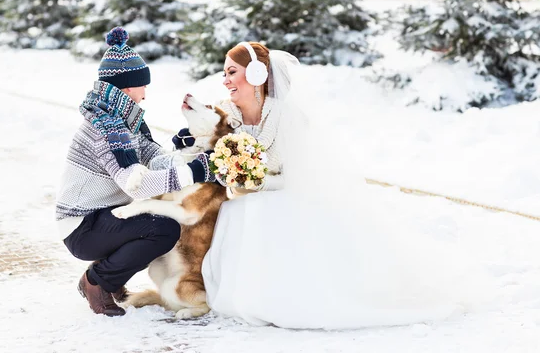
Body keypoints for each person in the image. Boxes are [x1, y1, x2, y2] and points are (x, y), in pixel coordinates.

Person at [181, 42, 488, 329]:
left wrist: (261, 184)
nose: (225, 80)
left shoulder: (287, 117)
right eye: (224, 73)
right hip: (240, 202)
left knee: (264, 209)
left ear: (256, 73)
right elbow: (204, 154)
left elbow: (301, 175)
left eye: (231, 72)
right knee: (240, 210)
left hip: (285, 195)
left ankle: (287, 294)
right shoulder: (223, 113)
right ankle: (238, 291)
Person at [55, 27, 215, 317]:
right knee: (162, 229)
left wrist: (193, 153)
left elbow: (154, 159)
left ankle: (108, 278)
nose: (145, 93)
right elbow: (137, 186)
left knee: (153, 225)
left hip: (101, 218)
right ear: (128, 87)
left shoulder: (124, 122)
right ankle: (96, 282)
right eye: (143, 85)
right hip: (81, 226)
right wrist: (194, 171)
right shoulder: (106, 129)